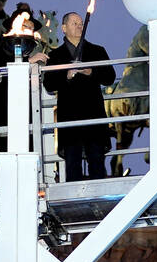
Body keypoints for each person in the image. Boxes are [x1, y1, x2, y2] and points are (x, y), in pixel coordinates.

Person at [0, 5, 48, 189]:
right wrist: (27, 62)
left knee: (25, 168)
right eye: (26, 25)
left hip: (25, 117)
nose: (29, 30)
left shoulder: (35, 49)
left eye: (31, 27)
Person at [44, 12, 116, 182]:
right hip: (70, 116)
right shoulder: (55, 56)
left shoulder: (97, 51)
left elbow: (110, 77)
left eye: (81, 23)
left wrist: (92, 72)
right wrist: (66, 76)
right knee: (72, 164)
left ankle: (100, 196)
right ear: (63, 28)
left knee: (97, 161)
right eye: (74, 23)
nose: (79, 26)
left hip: (93, 113)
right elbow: (49, 84)